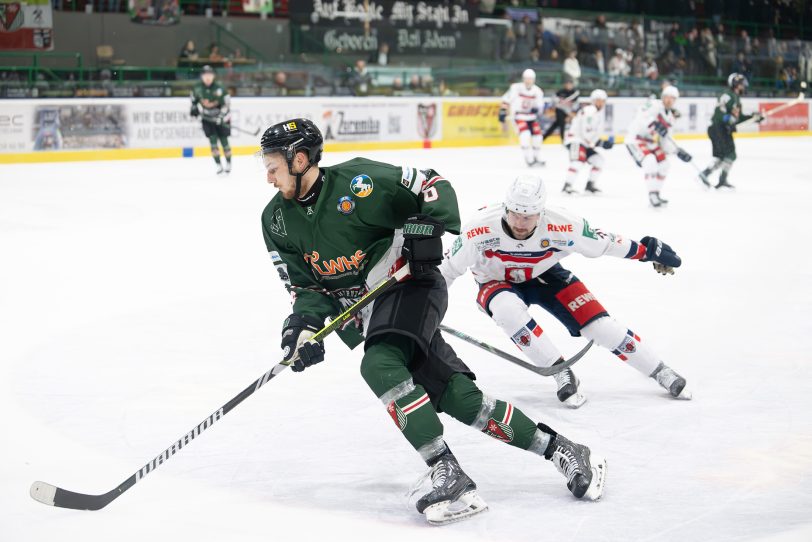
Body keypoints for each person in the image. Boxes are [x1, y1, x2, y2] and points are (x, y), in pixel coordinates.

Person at [259, 118, 607, 525]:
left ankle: (449, 471)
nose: (267, 176)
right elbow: (305, 288)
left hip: (409, 284)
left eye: (273, 166)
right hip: (365, 314)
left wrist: (428, 225)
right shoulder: (275, 220)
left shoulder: (359, 181)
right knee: (461, 400)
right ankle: (564, 449)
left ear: (300, 159)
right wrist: (300, 328)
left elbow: (431, 184)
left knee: (378, 364)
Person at [440, 175, 692, 408]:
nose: (519, 223)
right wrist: (424, 309)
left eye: (528, 217)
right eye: (515, 214)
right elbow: (447, 270)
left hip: (545, 275)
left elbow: (604, 243)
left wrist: (645, 252)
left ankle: (660, 370)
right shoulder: (479, 229)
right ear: (506, 207)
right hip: (494, 281)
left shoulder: (564, 224)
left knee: (600, 328)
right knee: (506, 310)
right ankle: (560, 370)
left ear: (541, 212)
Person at [625, 85, 693, 207]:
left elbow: (665, 141)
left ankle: (656, 193)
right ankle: (652, 195)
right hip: (636, 139)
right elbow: (641, 117)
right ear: (662, 97)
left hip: (650, 142)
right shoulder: (653, 105)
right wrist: (654, 124)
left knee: (664, 164)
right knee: (650, 161)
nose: (669, 100)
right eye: (667, 97)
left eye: (672, 98)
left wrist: (677, 151)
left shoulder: (670, 118)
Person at [699, 73, 763, 189]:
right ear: (735, 84)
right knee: (730, 154)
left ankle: (706, 175)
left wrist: (754, 118)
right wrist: (727, 120)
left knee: (724, 156)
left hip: (722, 129)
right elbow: (719, 111)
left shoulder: (736, 99)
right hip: (718, 128)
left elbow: (738, 118)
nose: (743, 87)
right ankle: (717, 178)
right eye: (741, 84)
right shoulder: (728, 95)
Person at [561, 89, 613, 195]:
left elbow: (593, 135)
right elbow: (586, 132)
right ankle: (567, 186)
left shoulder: (597, 113)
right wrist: (601, 143)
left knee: (598, 161)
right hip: (575, 140)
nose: (601, 103)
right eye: (598, 100)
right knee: (578, 162)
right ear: (593, 101)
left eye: (603, 100)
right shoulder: (590, 111)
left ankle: (590, 185)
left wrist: (599, 142)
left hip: (584, 143)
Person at [498, 68, 546, 167]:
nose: (528, 81)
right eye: (526, 78)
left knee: (538, 136)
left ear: (534, 79)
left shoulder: (537, 91)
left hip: (532, 117)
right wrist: (502, 116)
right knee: (525, 135)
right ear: (523, 79)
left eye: (530, 79)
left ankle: (537, 156)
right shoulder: (516, 88)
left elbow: (540, 106)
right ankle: (528, 158)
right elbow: (505, 101)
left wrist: (537, 110)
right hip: (519, 116)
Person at [190, 65, 232, 175]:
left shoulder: (220, 88)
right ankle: (218, 165)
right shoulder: (197, 88)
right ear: (201, 76)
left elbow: (226, 104)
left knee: (224, 141)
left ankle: (228, 163)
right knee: (213, 142)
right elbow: (193, 101)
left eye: (210, 75)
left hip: (221, 118)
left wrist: (221, 117)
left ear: (213, 76)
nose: (207, 77)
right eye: (205, 75)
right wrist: (194, 109)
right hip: (207, 119)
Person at [542, 77, 579, 144]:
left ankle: (543, 137)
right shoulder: (561, 92)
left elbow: (575, 105)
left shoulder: (574, 93)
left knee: (555, 124)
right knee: (562, 123)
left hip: (567, 112)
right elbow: (554, 99)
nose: (568, 85)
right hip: (559, 110)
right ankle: (563, 140)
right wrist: (557, 101)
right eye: (567, 84)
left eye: (570, 84)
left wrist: (571, 113)